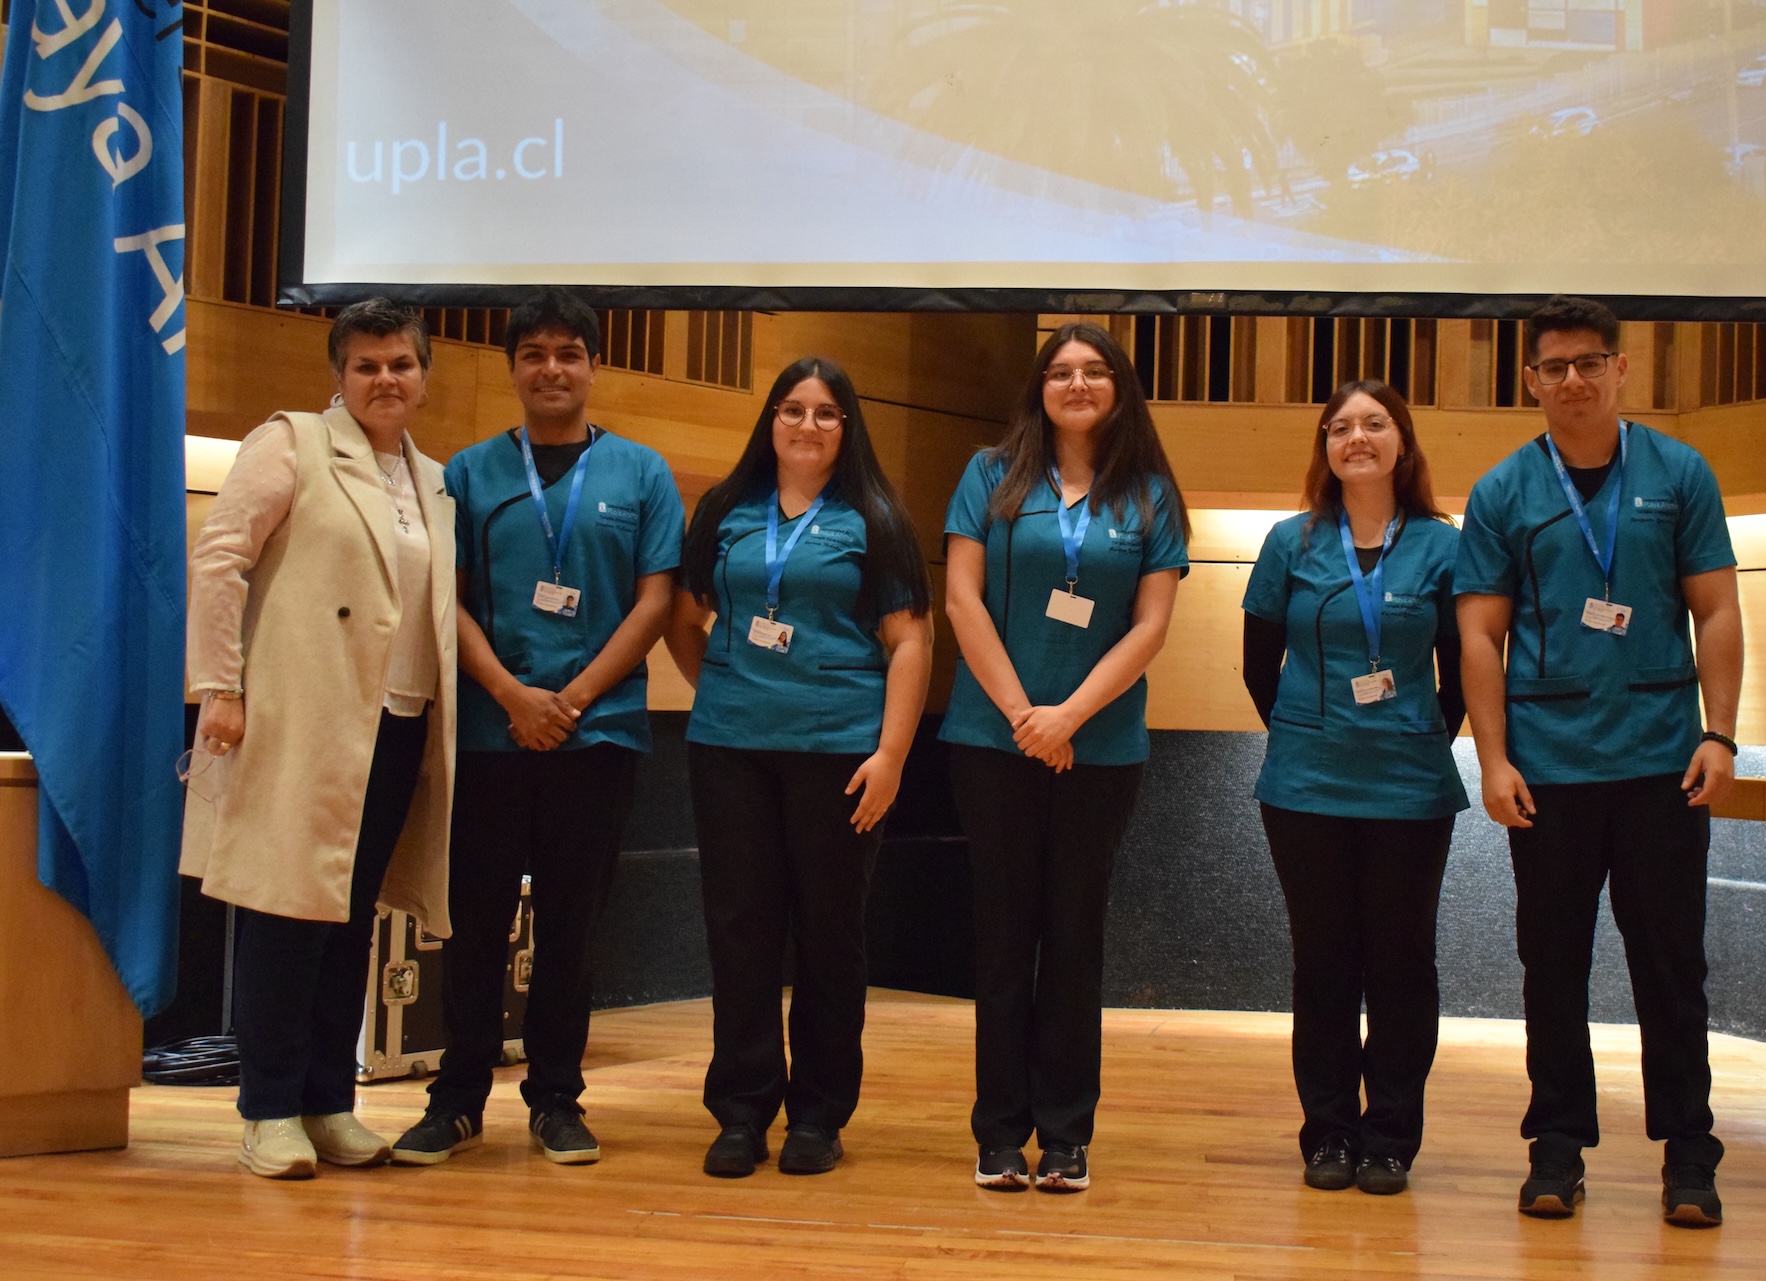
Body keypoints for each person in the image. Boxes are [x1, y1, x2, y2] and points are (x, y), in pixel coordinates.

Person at [1454, 295, 1743, 1228]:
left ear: (1621, 369)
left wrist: (1720, 732)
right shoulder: (1504, 491)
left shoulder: (1679, 472)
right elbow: (1479, 635)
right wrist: (1492, 760)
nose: (1572, 379)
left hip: (1664, 765)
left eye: (1589, 362)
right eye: (1554, 367)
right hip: (1549, 771)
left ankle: (1689, 1152)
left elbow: (1717, 608)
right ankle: (1557, 1145)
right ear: (1531, 381)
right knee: (1552, 965)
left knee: (1672, 964)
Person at [392, 289, 684, 1166]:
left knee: (571, 925)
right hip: (490, 733)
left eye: (568, 353)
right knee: (474, 923)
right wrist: (515, 696)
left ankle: (557, 1097)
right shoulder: (469, 473)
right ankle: (456, 1098)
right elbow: (446, 600)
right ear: (513, 367)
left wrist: (574, 699)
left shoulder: (642, 473)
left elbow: (655, 601)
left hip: (599, 736)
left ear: (594, 366)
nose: (551, 368)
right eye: (534, 354)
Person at [180, 299, 458, 1179]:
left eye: (401, 364)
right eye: (366, 365)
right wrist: (219, 685)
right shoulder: (292, 443)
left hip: (399, 723)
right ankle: (268, 1110)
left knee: (351, 920)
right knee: (285, 912)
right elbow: (220, 556)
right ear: (339, 375)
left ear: (424, 377)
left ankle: (329, 1101)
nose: (386, 379)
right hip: (304, 717)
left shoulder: (434, 479)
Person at [664, 357, 934, 1179]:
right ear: (770, 421)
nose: (806, 426)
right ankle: (741, 1110)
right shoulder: (726, 509)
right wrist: (724, 690)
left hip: (841, 755)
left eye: (824, 413)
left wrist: (891, 754)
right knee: (740, 930)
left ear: (847, 427)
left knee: (830, 934)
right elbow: (684, 616)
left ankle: (818, 1113)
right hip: (730, 750)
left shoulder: (875, 519)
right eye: (791, 410)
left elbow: (910, 640)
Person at [942, 322, 1190, 1193]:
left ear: (1119, 387)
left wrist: (1069, 717)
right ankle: (998, 1133)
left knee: (1075, 937)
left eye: (1094, 371)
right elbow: (961, 597)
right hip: (992, 740)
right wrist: (1023, 714)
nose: (1076, 384)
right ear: (1039, 388)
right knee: (1003, 937)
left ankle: (1066, 1134)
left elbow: (1151, 626)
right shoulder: (989, 474)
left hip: (1102, 747)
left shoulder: (1150, 493)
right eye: (1060, 371)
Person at [1241, 380, 1467, 1198]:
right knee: (1324, 961)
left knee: (1402, 963)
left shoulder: (1443, 545)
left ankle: (1390, 1138)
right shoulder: (1289, 542)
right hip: (1305, 784)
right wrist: (1310, 728)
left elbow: (1460, 671)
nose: (1357, 438)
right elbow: (1257, 665)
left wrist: (1412, 734)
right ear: (1326, 448)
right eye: (1340, 427)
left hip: (1410, 787)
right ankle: (1330, 1132)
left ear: (1402, 441)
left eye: (1374, 424)